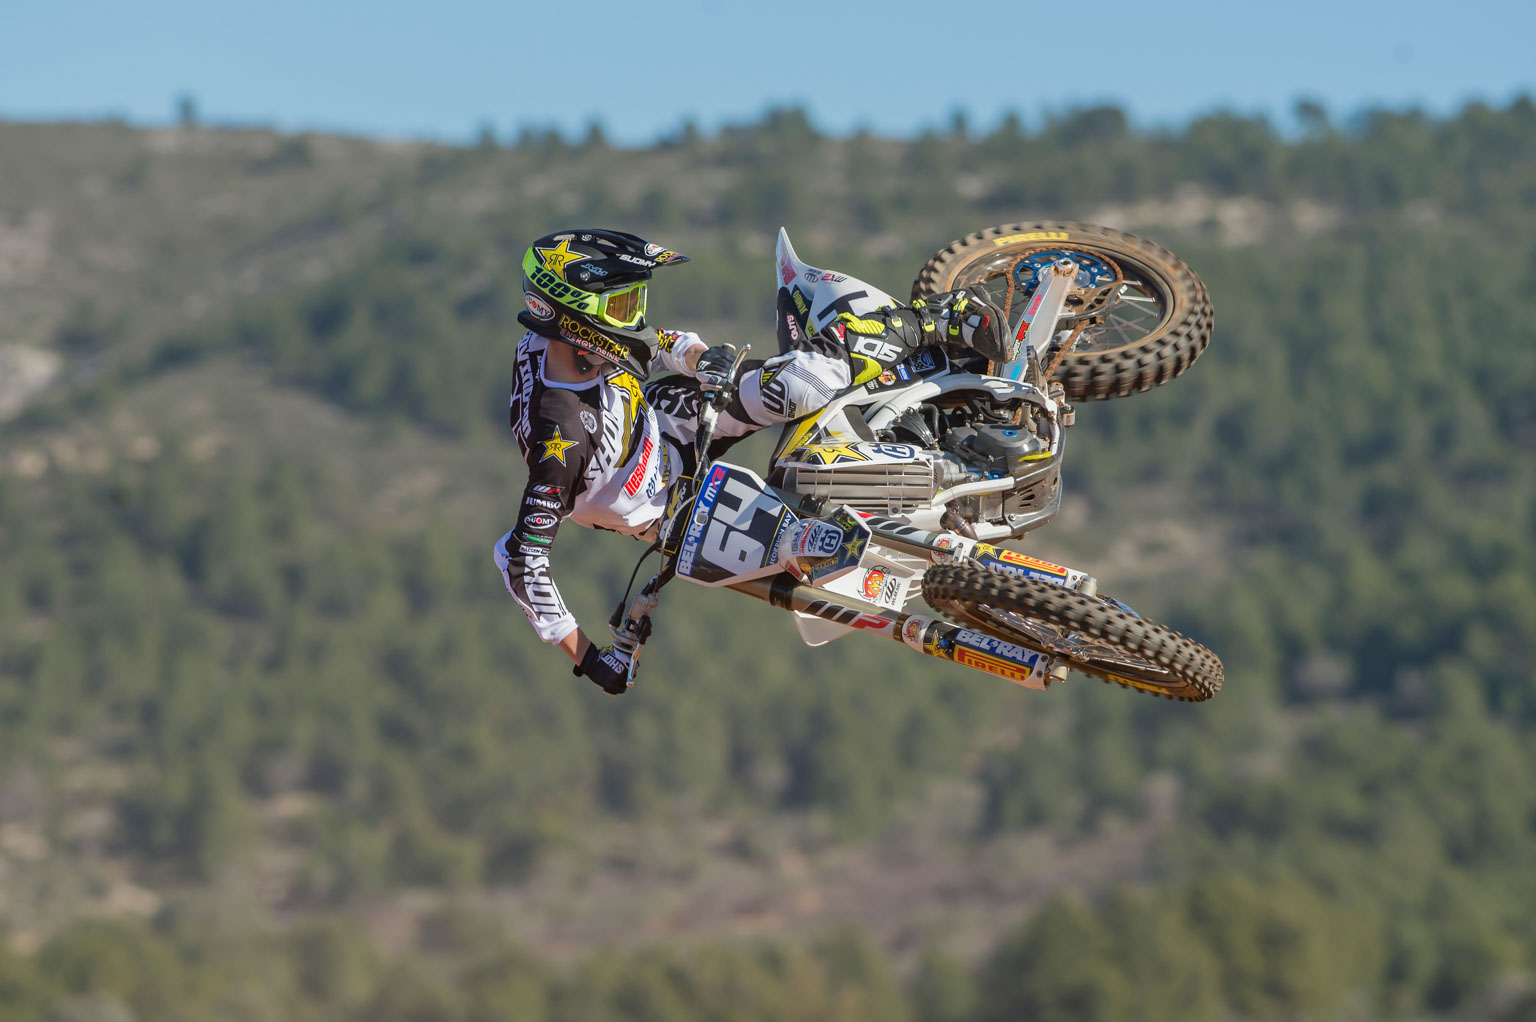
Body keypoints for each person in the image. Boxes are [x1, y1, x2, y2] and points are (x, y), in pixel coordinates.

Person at [495, 228, 1007, 695]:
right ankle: (929, 516)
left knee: (803, 384)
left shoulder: (557, 342)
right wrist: (589, 660)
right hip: (671, 510)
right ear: (576, 319)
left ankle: (936, 319)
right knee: (816, 549)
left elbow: (655, 342)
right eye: (622, 305)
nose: (635, 315)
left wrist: (699, 359)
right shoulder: (561, 439)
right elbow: (520, 560)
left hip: (663, 421)